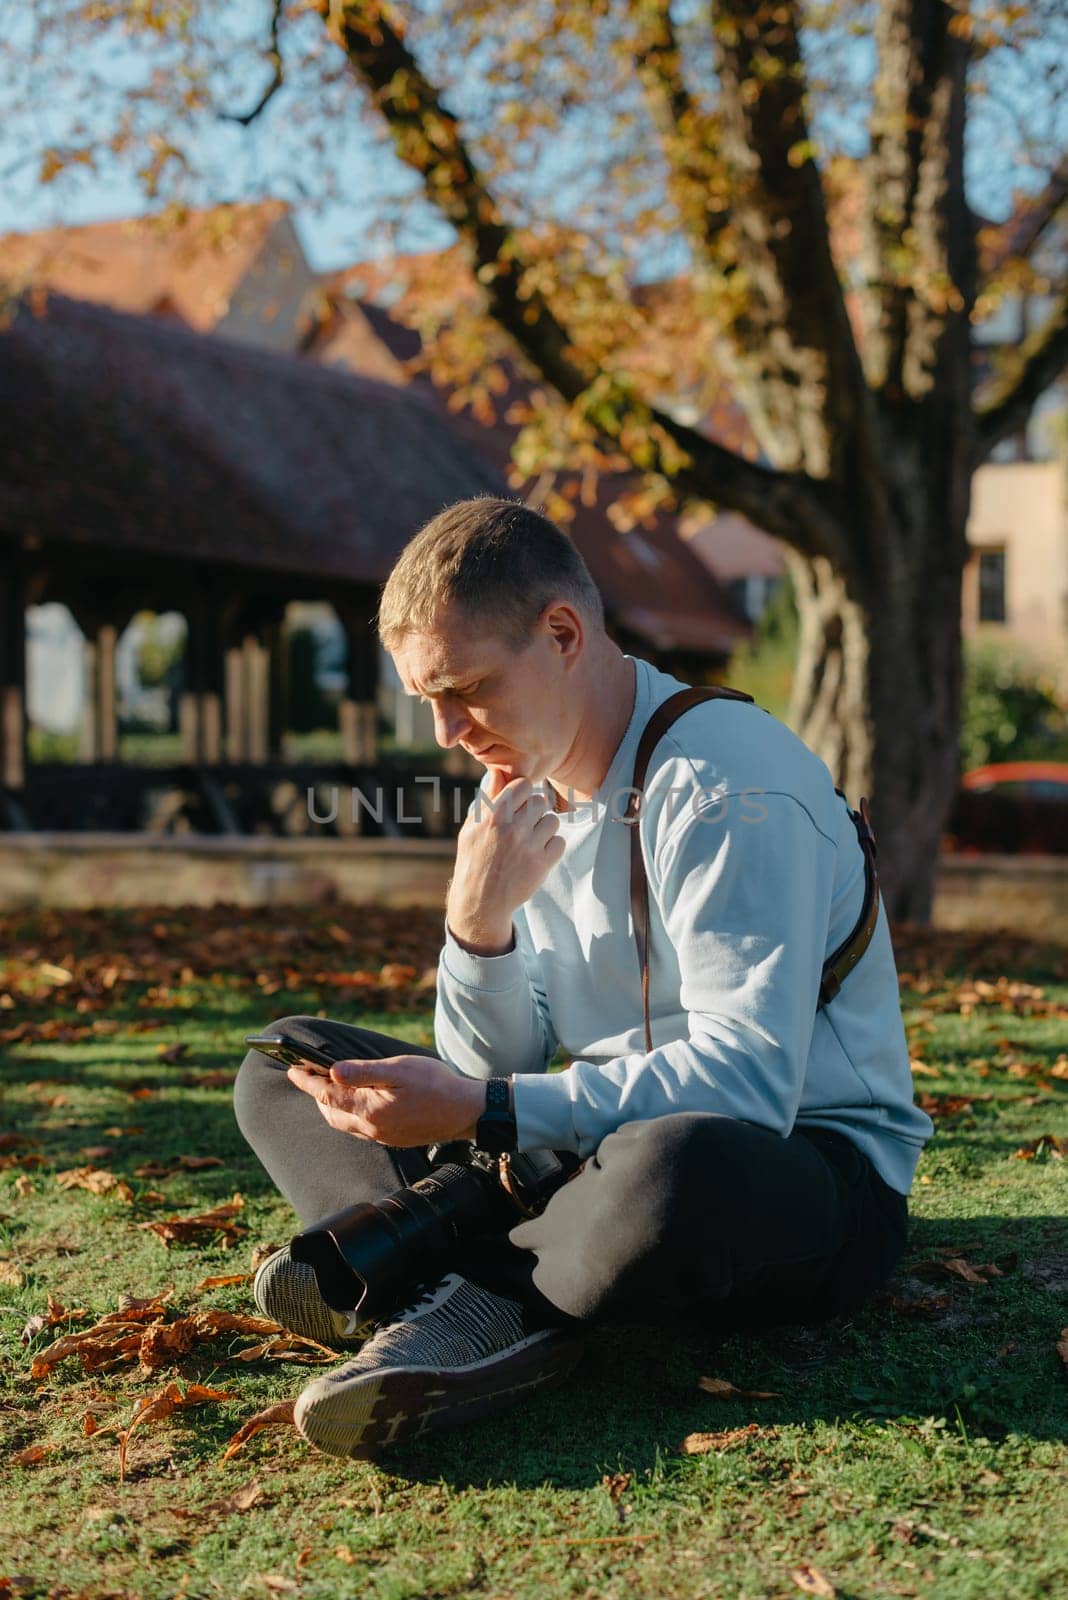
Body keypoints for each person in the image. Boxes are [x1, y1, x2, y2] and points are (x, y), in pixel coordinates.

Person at [233, 496, 932, 1461]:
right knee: (284, 1067)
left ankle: (473, 1299)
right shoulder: (522, 781)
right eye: (425, 699)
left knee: (672, 1173)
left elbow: (751, 1087)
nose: (444, 732)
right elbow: (505, 1060)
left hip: (801, 1167)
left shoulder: (727, 787)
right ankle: (484, 1257)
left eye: (465, 688)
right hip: (572, 1153)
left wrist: (490, 1108)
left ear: (563, 633)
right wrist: (476, 928)